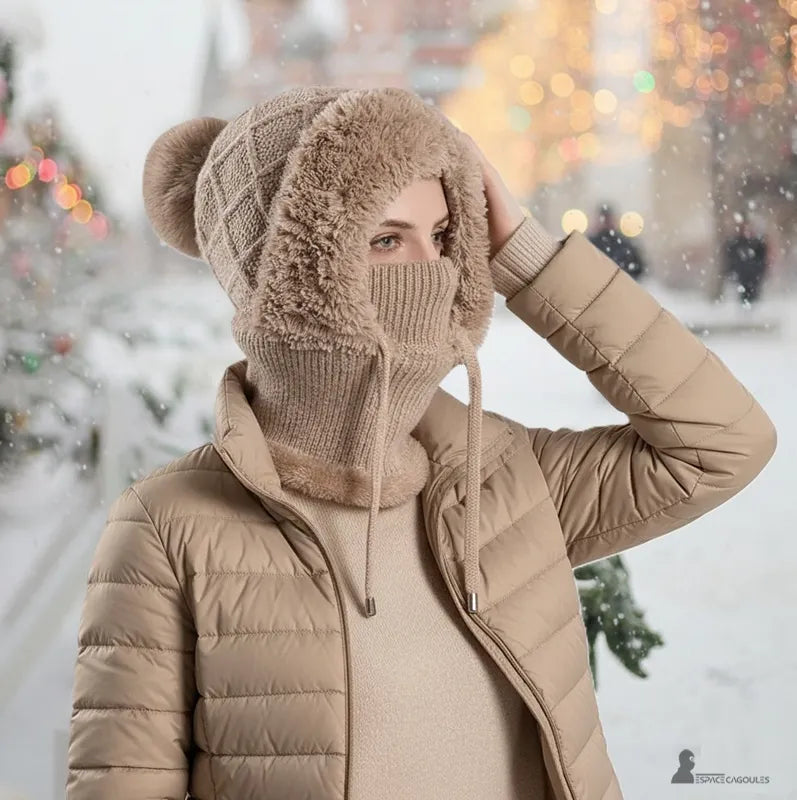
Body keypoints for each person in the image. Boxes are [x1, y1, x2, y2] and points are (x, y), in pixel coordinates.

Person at [65, 86, 776, 800]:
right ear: (282, 273)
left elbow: (722, 442)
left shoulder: (507, 480)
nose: (431, 271)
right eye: (383, 239)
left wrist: (523, 256)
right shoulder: (168, 527)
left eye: (442, 238)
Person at [588, 202, 646, 280]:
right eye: (604, 219)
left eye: (608, 219)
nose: (606, 222)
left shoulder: (626, 244)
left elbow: (639, 269)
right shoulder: (590, 242)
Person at [722, 215, 769, 305]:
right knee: (742, 298)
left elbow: (762, 258)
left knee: (753, 298)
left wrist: (760, 271)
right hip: (741, 275)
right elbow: (730, 258)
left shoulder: (757, 243)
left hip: (753, 276)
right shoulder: (735, 243)